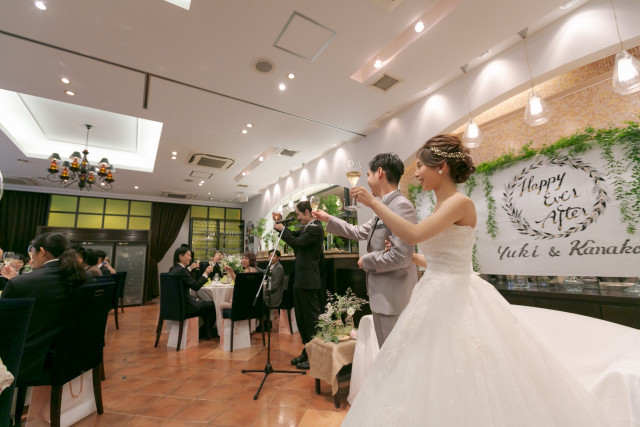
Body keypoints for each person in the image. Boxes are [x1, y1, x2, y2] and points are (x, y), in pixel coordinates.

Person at [342, 134, 609, 426]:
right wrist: (416, 259)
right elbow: (439, 258)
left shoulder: (460, 203)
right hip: (433, 289)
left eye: (420, 166)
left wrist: (374, 202)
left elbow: (415, 235)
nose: (416, 173)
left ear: (441, 167)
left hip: (456, 296)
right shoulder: (439, 207)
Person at [313, 153, 418, 347]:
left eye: (368, 175)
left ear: (379, 173)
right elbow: (358, 231)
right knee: (387, 359)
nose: (367, 181)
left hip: (394, 300)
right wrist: (329, 219)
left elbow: (402, 257)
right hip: (383, 298)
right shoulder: (383, 207)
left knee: (393, 360)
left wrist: (366, 260)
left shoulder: (400, 205)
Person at [0, 233, 87, 383]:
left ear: (42, 251)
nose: (31, 258)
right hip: (70, 354)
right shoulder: (85, 278)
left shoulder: (23, 283)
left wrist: (17, 282)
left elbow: (5, 326)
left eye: (32, 252)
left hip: (26, 360)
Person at [274, 201, 324, 370]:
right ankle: (306, 349)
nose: (298, 218)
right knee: (301, 319)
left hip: (309, 280)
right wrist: (279, 227)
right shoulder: (306, 228)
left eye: (299, 214)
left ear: (308, 212)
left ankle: (315, 354)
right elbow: (293, 236)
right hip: (301, 280)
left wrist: (283, 231)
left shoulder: (316, 228)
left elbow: (297, 243)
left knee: (311, 320)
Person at [168, 247, 216, 338]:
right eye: (188, 255)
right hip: (186, 307)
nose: (190, 258)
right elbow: (196, 286)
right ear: (181, 256)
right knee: (212, 305)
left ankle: (204, 331)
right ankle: (205, 332)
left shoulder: (173, 269)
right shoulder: (182, 271)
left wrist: (190, 268)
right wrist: (206, 272)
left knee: (203, 302)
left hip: (175, 306)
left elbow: (184, 276)